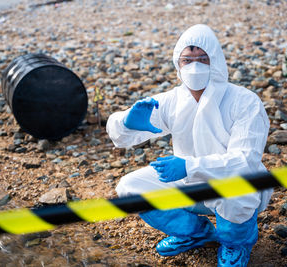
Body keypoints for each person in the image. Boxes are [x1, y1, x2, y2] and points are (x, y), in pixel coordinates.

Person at [106, 24, 272, 267]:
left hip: (232, 185)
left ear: (214, 61)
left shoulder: (244, 102)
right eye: (187, 59)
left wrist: (189, 166)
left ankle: (235, 243)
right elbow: (119, 136)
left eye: (202, 59)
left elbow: (245, 160)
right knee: (130, 188)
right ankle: (196, 233)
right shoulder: (173, 100)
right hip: (189, 182)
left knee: (238, 190)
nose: (195, 66)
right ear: (178, 64)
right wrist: (126, 122)